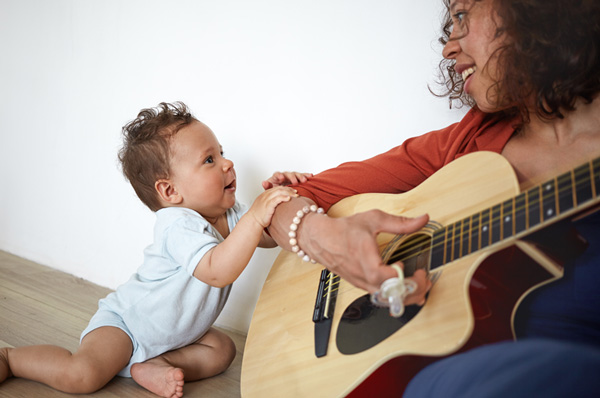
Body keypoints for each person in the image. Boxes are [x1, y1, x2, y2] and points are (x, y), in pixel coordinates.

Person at [264, 0, 600, 395]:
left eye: (461, 16)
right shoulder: (466, 144)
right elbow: (281, 202)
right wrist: (322, 238)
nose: (447, 47)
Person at [0, 102, 310, 398]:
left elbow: (267, 237)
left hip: (175, 336)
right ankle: (11, 359)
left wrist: (280, 200)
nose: (227, 163)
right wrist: (256, 216)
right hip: (127, 326)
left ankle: (152, 365)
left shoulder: (231, 214)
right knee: (83, 375)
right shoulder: (177, 225)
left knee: (223, 350)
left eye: (222, 153)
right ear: (170, 191)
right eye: (209, 160)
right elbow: (217, 271)